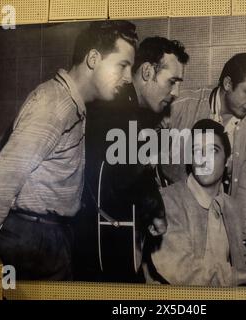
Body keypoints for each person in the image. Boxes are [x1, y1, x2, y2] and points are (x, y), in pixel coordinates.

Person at [0, 20, 138, 280]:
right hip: (32, 239)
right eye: (122, 65)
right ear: (93, 59)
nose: (128, 77)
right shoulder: (54, 104)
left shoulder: (69, 103)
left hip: (49, 236)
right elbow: (2, 179)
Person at [74, 37, 189, 282]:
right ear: (147, 71)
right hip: (98, 245)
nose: (176, 93)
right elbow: (127, 173)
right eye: (172, 81)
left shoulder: (123, 106)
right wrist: (157, 210)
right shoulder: (121, 108)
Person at [161, 53, 246, 248]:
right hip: (171, 222)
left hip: (218, 232)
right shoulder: (181, 105)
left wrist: (239, 243)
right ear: (228, 84)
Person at [144, 119, 246, 287]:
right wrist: (245, 277)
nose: (204, 159)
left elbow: (238, 258)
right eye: (197, 151)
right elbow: (184, 272)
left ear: (228, 161)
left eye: (213, 150)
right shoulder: (167, 202)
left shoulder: (230, 206)